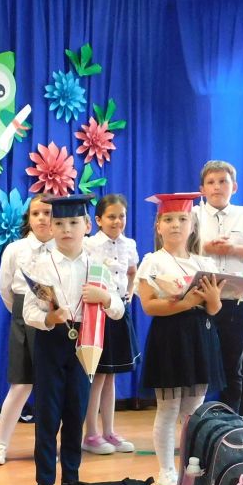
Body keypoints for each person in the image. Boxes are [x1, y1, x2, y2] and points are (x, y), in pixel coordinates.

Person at [23, 195, 125, 485]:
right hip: (51, 340)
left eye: (73, 222)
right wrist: (48, 318)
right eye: (59, 223)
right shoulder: (40, 265)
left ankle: (71, 478)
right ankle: (44, 482)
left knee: (75, 410)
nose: (66, 229)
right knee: (47, 412)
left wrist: (104, 299)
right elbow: (29, 311)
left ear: (87, 225)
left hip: (86, 341)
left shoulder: (98, 267)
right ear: (50, 227)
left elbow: (118, 309)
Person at [138, 192, 224, 485]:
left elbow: (214, 308)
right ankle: (166, 470)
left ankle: (191, 466)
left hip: (200, 338)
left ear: (192, 225)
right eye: (169, 219)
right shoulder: (153, 261)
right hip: (170, 339)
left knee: (194, 410)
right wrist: (186, 303)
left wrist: (212, 300)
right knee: (168, 408)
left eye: (183, 219)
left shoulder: (203, 262)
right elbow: (149, 305)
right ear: (158, 226)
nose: (176, 224)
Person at [192, 160, 243, 413]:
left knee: (232, 366)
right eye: (211, 182)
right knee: (198, 365)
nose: (217, 187)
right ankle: (195, 422)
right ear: (202, 189)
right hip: (199, 300)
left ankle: (230, 423)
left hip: (236, 302)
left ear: (234, 187)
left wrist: (234, 249)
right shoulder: (193, 215)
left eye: (223, 181)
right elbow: (176, 250)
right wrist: (205, 247)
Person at [0, 193, 54, 465]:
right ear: (29, 218)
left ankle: (46, 448)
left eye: (48, 213)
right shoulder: (16, 249)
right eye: (36, 213)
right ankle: (1, 444)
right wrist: (23, 313)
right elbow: (6, 290)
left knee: (51, 388)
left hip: (53, 318)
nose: (42, 218)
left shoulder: (62, 249)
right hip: (23, 318)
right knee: (21, 383)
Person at [82, 194, 140, 456]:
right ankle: (91, 433)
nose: (117, 221)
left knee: (111, 375)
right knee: (97, 375)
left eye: (121, 216)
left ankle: (109, 431)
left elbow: (132, 272)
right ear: (98, 220)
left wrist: (128, 294)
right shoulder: (90, 244)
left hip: (119, 309)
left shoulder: (129, 244)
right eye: (111, 217)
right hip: (97, 313)